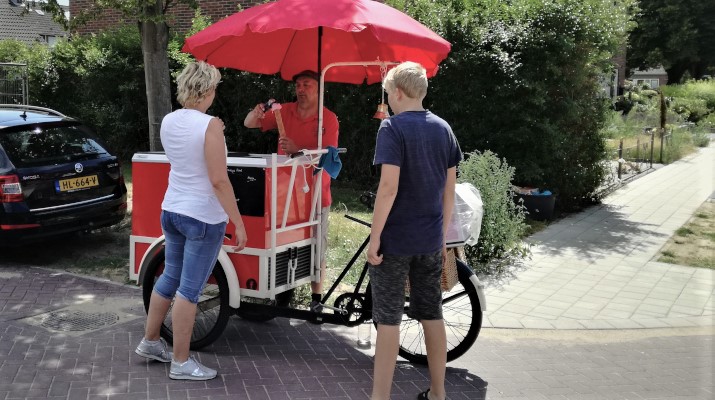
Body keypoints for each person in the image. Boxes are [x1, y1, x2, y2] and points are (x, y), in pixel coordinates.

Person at [134, 61, 247, 380]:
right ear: (208, 90)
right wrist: (238, 222)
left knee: (169, 277)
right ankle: (181, 363)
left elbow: (185, 160)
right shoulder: (210, 125)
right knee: (190, 289)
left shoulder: (169, 120)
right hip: (202, 217)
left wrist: (214, 129)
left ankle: (151, 341)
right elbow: (218, 180)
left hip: (172, 210)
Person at [366, 61, 462, 400]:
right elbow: (449, 191)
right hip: (430, 240)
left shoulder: (392, 128)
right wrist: (441, 236)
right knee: (431, 313)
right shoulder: (443, 128)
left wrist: (375, 237)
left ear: (398, 92)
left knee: (389, 319)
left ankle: (380, 397)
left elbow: (388, 187)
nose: (388, 100)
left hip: (395, 240)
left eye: (388, 93)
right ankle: (438, 393)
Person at [243, 70, 339, 313]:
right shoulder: (283, 111)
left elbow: (330, 157)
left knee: (318, 244)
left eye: (307, 84)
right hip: (284, 194)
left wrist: (299, 150)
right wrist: (256, 113)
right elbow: (249, 124)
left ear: (319, 89)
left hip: (316, 193)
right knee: (282, 241)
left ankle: (316, 299)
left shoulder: (328, 119)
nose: (301, 89)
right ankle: (282, 292)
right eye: (298, 84)